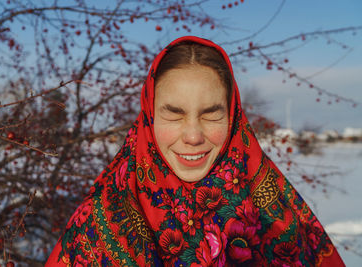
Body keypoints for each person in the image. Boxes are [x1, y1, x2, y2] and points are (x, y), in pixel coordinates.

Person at [45, 36, 344, 266]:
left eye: (211, 114)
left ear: (233, 117)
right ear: (149, 117)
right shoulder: (103, 217)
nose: (193, 135)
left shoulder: (277, 219)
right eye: (174, 114)